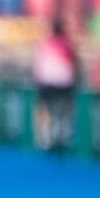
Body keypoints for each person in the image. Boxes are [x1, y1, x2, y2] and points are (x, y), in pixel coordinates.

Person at [33, 19, 77, 153]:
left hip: (48, 82)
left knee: (45, 110)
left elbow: (39, 65)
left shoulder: (45, 44)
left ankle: (46, 139)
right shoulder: (68, 44)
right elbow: (74, 65)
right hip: (64, 83)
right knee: (63, 109)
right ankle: (64, 136)